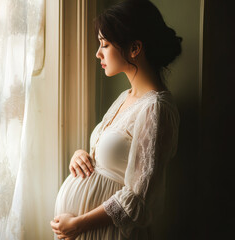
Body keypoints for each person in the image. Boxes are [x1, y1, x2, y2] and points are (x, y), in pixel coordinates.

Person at [50, 0, 182, 239]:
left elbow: (138, 199)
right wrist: (82, 156)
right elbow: (110, 159)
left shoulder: (156, 109)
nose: (97, 53)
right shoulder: (126, 97)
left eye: (105, 44)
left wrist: (80, 224)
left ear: (134, 48)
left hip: (107, 232)